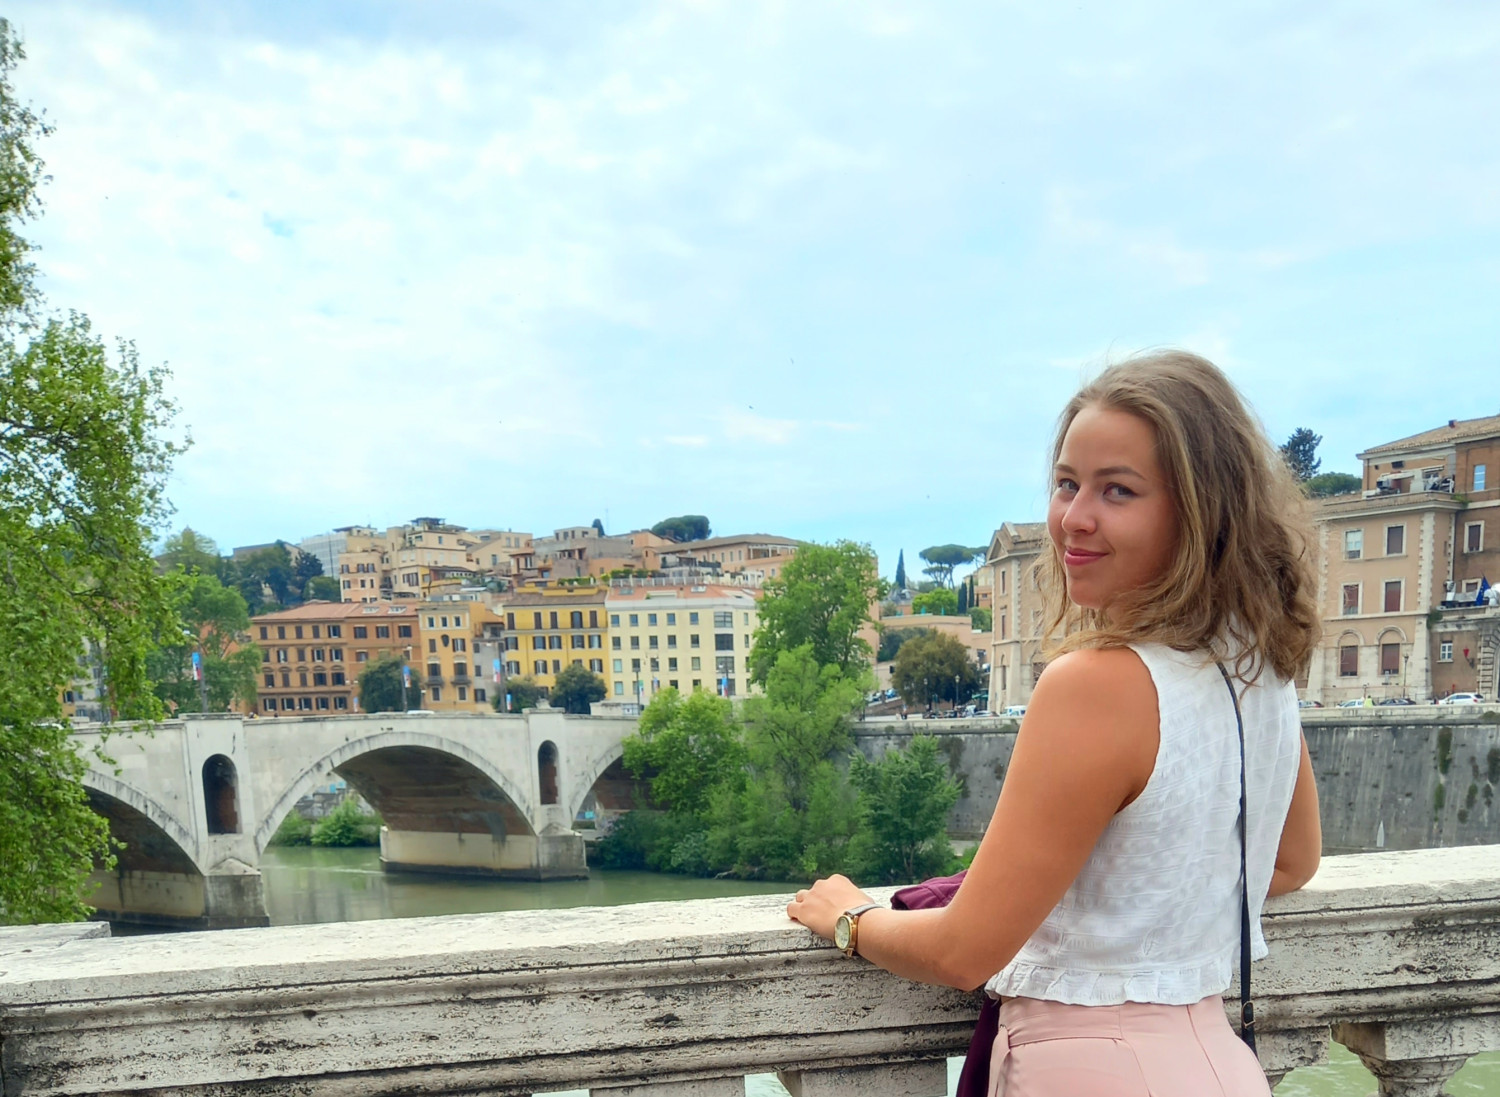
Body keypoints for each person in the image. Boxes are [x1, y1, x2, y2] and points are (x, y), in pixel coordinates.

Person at [788, 351, 1323, 1096]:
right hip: (1218, 1065)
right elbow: (1290, 862)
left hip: (1093, 1069)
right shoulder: (1256, 667)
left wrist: (851, 916)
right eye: (1067, 483)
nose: (1074, 517)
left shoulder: (1096, 684)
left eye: (1118, 490)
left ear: (1200, 513)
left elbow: (962, 952)